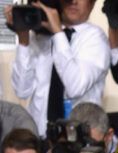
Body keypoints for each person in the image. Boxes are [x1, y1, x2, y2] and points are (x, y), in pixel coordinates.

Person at [5, 0, 110, 138]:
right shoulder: (41, 37)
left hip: (76, 139)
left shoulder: (95, 37)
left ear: (92, 4)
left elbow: (75, 87)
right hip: (37, 135)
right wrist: (23, 40)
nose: (73, 1)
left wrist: (58, 33)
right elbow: (22, 91)